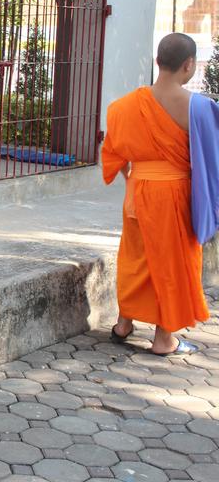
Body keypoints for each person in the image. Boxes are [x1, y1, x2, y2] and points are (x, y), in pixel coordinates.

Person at [102, 32, 208, 356]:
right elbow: (211, 159)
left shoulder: (123, 107)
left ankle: (123, 324)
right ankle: (164, 339)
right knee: (170, 264)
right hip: (174, 194)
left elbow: (113, 154)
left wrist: (136, 178)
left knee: (136, 258)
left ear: (158, 61)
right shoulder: (198, 107)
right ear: (188, 65)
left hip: (137, 191)